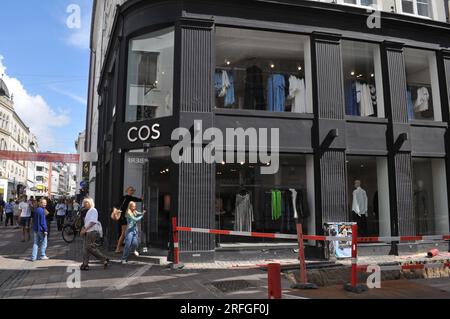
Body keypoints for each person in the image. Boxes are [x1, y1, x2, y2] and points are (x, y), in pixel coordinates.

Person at [79, 198, 109, 271]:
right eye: (84, 203)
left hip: (91, 232)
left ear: (90, 203)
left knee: (89, 247)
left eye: (86, 202)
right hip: (88, 231)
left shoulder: (93, 210)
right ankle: (85, 264)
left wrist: (85, 230)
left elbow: (93, 222)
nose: (84, 204)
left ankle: (104, 258)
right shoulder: (89, 211)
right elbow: (87, 222)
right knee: (86, 249)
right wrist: (83, 229)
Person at [114, 187, 143, 254]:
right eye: (130, 190)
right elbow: (120, 206)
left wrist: (141, 199)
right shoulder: (126, 197)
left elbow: (137, 199)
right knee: (124, 233)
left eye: (133, 190)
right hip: (123, 217)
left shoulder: (129, 198)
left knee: (127, 233)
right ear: (127, 191)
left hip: (125, 217)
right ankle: (118, 248)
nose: (132, 191)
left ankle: (122, 248)